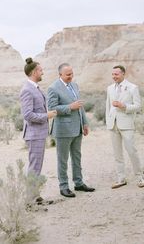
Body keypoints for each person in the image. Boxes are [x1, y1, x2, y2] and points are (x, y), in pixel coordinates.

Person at [47, 63, 95, 198]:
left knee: (77, 157)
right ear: (60, 75)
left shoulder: (75, 85)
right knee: (62, 159)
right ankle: (63, 187)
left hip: (77, 128)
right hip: (62, 130)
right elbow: (52, 108)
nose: (70, 76)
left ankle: (79, 183)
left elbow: (80, 106)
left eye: (72, 74)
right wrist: (70, 107)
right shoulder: (53, 88)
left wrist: (85, 123)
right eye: (68, 75)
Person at [20, 58, 57, 203]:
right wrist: (46, 116)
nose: (43, 73)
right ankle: (30, 200)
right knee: (34, 166)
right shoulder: (27, 90)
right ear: (34, 72)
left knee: (37, 166)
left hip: (38, 133)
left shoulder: (35, 88)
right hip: (34, 134)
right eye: (41, 70)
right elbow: (28, 115)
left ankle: (35, 196)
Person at [106, 65, 144, 189]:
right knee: (117, 154)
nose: (114, 76)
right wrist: (108, 121)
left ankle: (139, 177)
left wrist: (124, 106)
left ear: (123, 74)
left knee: (132, 151)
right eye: (113, 74)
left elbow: (138, 106)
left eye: (116, 74)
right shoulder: (110, 88)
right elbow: (108, 106)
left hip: (127, 123)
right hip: (113, 124)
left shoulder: (133, 88)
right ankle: (121, 178)